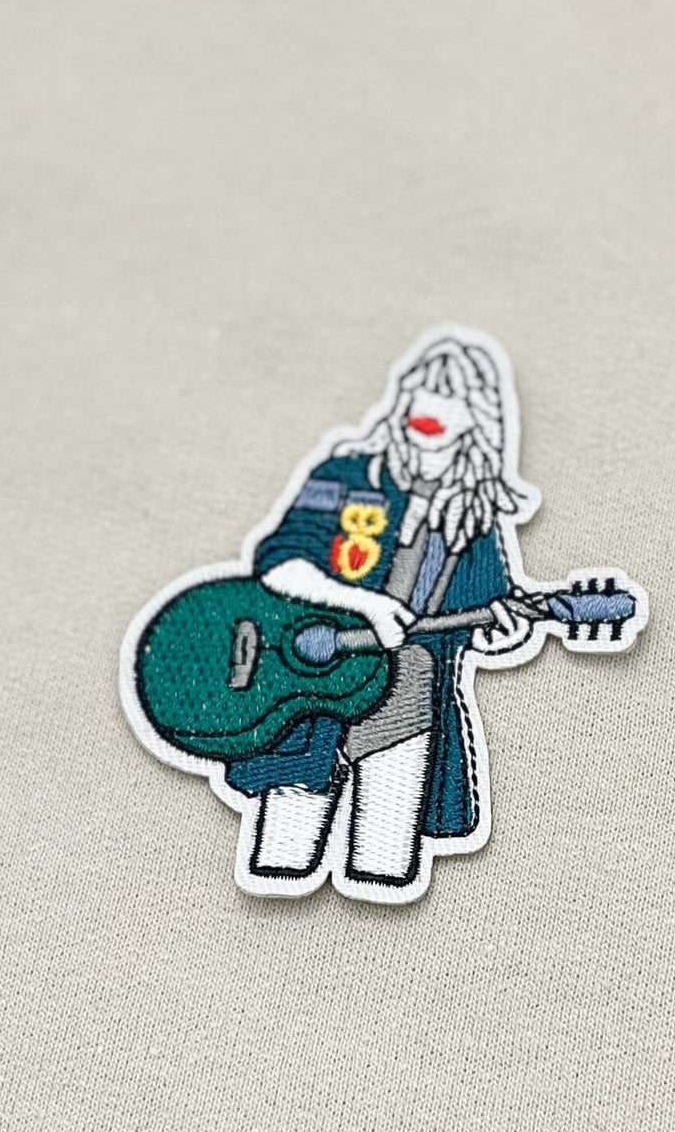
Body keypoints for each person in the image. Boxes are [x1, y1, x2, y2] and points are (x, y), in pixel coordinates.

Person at [228, 333, 543, 899]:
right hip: (307, 690)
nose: (433, 407)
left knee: (385, 854)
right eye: (425, 389)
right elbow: (280, 562)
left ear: (480, 416)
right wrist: (367, 605)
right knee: (284, 847)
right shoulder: (348, 475)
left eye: (455, 397)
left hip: (408, 699)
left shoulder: (474, 515)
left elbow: (485, 622)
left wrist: (507, 628)